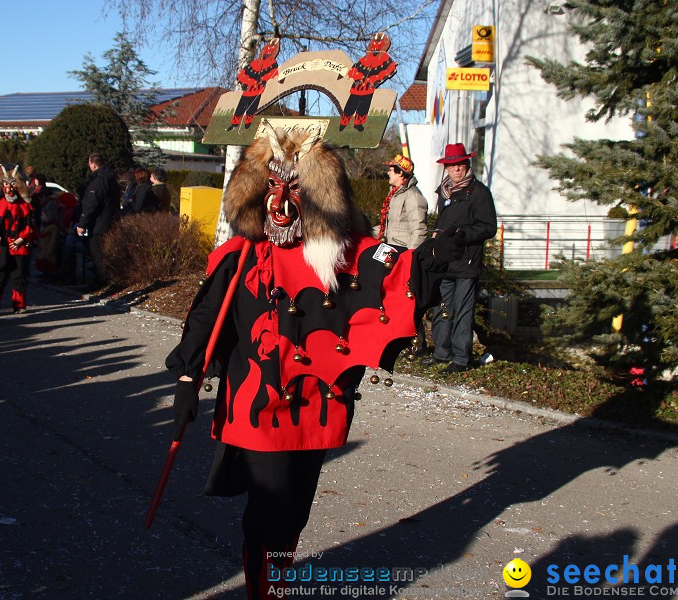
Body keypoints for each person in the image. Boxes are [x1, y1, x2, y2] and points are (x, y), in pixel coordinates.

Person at [165, 126, 463, 599]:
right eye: (271, 187)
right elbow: (205, 316)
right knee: (268, 510)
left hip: (314, 406)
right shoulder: (239, 257)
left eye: (296, 187)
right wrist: (187, 377)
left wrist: (434, 255)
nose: (281, 202)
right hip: (256, 406)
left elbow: (394, 271)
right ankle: (265, 590)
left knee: (293, 512)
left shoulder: (341, 254)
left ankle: (275, 582)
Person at [420, 143, 497, 372]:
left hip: (466, 261)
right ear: (446, 168)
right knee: (443, 308)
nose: (456, 169)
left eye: (460, 164)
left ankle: (461, 359)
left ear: (467, 165)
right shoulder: (444, 192)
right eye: (452, 165)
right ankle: (441, 353)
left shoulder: (479, 192)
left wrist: (462, 234)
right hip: (446, 261)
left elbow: (489, 227)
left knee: (463, 312)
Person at [379, 154, 430, 354]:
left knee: (408, 301)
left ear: (401, 173)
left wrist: (411, 257)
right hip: (391, 251)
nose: (387, 173)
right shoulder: (395, 193)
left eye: (391, 170)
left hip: (404, 255)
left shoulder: (413, 196)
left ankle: (417, 345)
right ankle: (397, 341)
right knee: (392, 299)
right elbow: (391, 226)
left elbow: (419, 229)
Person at [0, 165, 36, 313]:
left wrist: (21, 239)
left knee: (19, 277)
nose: (9, 188)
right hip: (1, 248)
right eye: (6, 184)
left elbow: (31, 226)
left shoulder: (25, 206)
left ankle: (19, 305)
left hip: (19, 247)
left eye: (12, 184)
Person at [77, 153, 120, 290]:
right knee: (104, 253)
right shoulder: (111, 179)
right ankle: (104, 280)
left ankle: (101, 282)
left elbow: (91, 204)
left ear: (93, 164)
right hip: (110, 220)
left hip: (98, 224)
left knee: (98, 255)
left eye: (89, 164)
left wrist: (82, 223)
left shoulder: (99, 181)